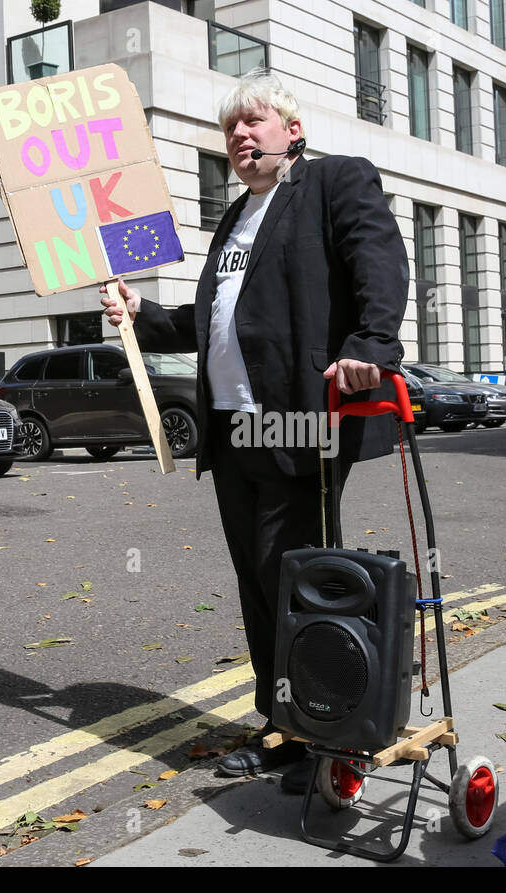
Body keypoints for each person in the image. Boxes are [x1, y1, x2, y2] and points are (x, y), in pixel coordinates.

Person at [100, 70, 408, 788]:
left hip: (300, 419)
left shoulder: (335, 182)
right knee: (258, 583)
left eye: (255, 122)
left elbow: (380, 264)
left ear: (291, 131)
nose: (240, 135)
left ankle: (309, 732)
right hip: (232, 428)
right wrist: (143, 315)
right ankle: (287, 722)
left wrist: (370, 346)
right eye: (231, 128)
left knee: (294, 576)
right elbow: (210, 323)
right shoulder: (236, 218)